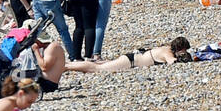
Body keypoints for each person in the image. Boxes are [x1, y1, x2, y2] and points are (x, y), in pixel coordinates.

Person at [63, 36, 192, 75]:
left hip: (130, 58)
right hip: (130, 62)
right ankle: (67, 67)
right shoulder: (167, 52)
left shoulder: (166, 48)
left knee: (100, 64)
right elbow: (173, 63)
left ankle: (68, 65)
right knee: (97, 69)